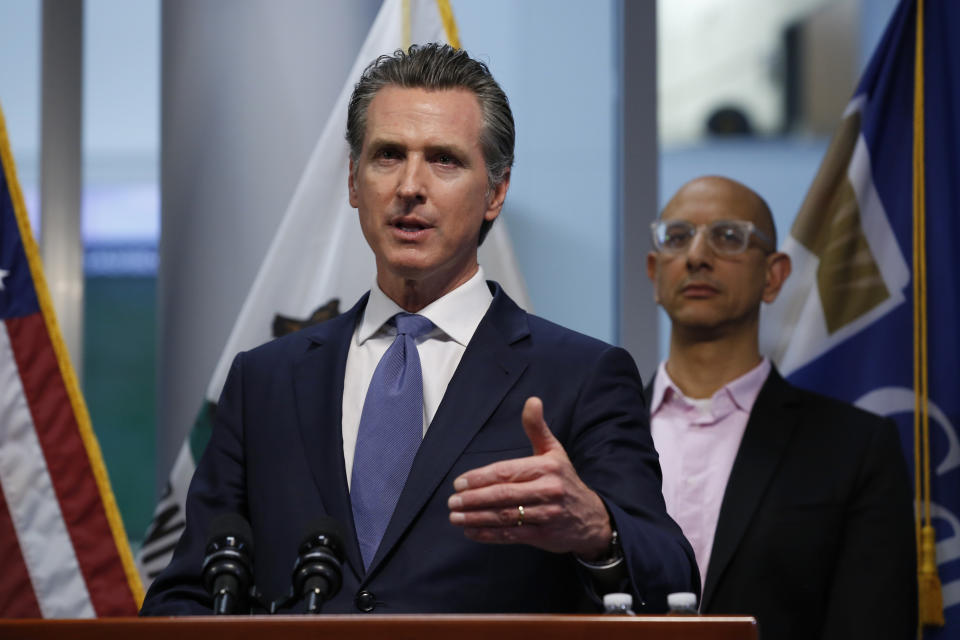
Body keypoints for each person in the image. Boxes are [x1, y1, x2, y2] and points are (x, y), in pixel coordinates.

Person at [141, 44, 696, 615]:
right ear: (354, 183)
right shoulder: (265, 380)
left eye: (444, 160)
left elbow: (674, 577)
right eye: (386, 155)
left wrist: (597, 532)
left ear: (495, 193)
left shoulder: (579, 376)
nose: (410, 185)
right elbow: (182, 596)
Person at [645, 175, 917, 638]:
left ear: (774, 276)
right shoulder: (591, 432)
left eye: (729, 237)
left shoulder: (854, 448)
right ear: (655, 271)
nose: (696, 256)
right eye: (678, 237)